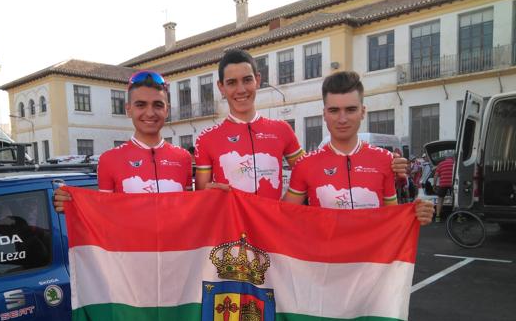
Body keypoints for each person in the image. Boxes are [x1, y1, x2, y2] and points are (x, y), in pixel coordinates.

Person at [194, 48, 410, 199]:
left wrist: (387, 166)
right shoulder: (206, 139)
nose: (241, 89)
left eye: (247, 80)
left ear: (257, 80)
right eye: (232, 83)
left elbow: (315, 170)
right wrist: (208, 193)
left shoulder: (281, 130)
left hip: (273, 238)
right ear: (221, 87)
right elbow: (200, 196)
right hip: (229, 239)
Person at [283, 71, 434, 225]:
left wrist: (414, 215)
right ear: (324, 114)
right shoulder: (305, 164)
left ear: (362, 112)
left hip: (373, 249)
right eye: (334, 110)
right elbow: (282, 216)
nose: (342, 119)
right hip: (324, 249)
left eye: (350, 109)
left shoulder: (386, 160)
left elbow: (392, 219)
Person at [53, 70, 192, 211]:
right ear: (128, 109)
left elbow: (190, 211)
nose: (150, 113)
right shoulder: (109, 160)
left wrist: (213, 194)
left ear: (167, 110)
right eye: (141, 105)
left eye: (158, 105)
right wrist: (73, 205)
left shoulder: (184, 158)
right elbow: (104, 213)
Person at [434, 153, 455, 222]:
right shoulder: (455, 163)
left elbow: (436, 175)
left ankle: (437, 217)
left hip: (443, 184)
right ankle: (457, 217)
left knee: (440, 200)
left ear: (445, 158)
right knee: (455, 200)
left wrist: (434, 185)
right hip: (452, 184)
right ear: (452, 158)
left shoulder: (441, 164)